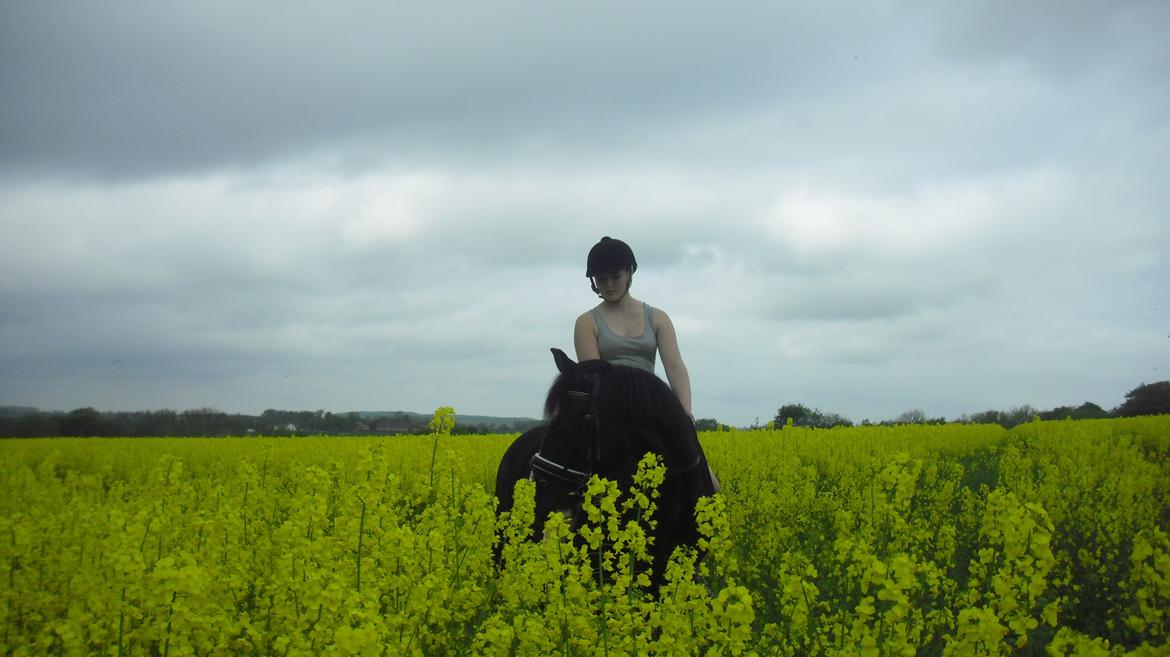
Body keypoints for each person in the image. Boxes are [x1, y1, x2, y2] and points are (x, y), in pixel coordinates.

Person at [573, 236, 721, 492]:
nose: (608, 285)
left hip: (653, 407)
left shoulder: (658, 318)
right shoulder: (587, 322)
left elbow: (675, 367)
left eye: (615, 276)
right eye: (601, 279)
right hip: (608, 411)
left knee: (712, 487)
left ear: (630, 272)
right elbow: (593, 376)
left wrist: (684, 414)